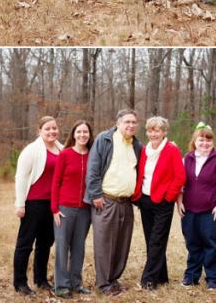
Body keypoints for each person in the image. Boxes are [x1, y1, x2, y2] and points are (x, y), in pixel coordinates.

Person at [85, 109, 142, 296]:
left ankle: (113, 279)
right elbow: (93, 168)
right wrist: (95, 194)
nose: (131, 125)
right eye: (127, 122)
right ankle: (103, 283)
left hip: (126, 202)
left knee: (122, 243)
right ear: (118, 123)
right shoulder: (105, 139)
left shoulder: (137, 145)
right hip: (105, 200)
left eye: (134, 122)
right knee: (104, 243)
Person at [132, 116, 185, 290]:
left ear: (164, 132)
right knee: (151, 240)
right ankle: (162, 277)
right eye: (150, 130)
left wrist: (168, 197)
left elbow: (180, 177)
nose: (153, 134)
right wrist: (138, 196)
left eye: (157, 130)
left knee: (157, 240)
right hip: (145, 200)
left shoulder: (171, 150)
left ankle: (148, 280)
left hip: (162, 202)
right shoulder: (145, 149)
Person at [177, 123, 216, 291]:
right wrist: (179, 202)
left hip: (211, 211)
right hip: (189, 210)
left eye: (208, 140)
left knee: (212, 244)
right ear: (195, 141)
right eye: (201, 140)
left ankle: (212, 279)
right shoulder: (187, 158)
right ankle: (191, 276)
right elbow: (180, 184)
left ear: (212, 142)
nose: (205, 143)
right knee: (193, 244)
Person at [13, 116, 63, 296]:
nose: (52, 132)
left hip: (53, 205)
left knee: (45, 244)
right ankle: (20, 283)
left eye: (54, 128)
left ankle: (41, 280)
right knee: (25, 244)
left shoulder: (61, 149)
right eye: (47, 129)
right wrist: (20, 204)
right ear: (39, 131)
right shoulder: (31, 150)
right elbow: (21, 177)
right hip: (33, 203)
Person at [51, 120, 93, 298]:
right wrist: (54, 208)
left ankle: (76, 283)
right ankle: (61, 285)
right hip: (64, 209)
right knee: (62, 246)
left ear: (90, 135)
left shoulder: (93, 155)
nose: (82, 135)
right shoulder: (65, 154)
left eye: (85, 132)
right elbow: (56, 182)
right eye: (79, 132)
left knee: (79, 247)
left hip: (85, 209)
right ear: (73, 134)